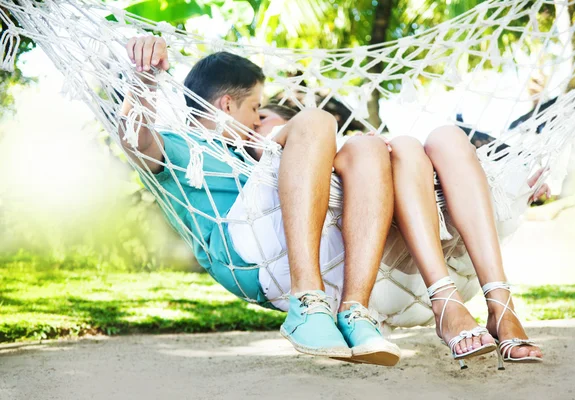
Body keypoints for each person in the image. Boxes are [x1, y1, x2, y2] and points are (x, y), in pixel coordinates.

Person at [119, 36, 402, 366]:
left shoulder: (247, 157)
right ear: (227, 105)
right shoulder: (177, 145)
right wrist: (144, 77)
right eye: (254, 107)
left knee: (363, 149)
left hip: (283, 248)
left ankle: (355, 311)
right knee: (315, 119)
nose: (257, 120)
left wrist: (368, 160)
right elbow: (134, 141)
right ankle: (307, 300)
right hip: (242, 250)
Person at [237, 104, 548, 368]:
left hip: (414, 200)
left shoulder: (343, 144)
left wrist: (516, 182)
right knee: (372, 143)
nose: (252, 122)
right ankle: (447, 302)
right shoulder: (269, 166)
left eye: (261, 116)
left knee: (439, 137)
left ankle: (499, 304)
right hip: (367, 239)